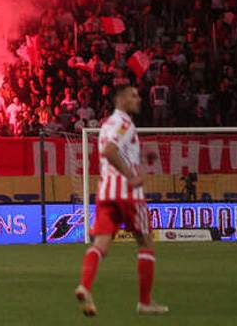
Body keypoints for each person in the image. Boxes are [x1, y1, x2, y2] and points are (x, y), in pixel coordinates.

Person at [74, 85, 168, 316]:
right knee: (146, 242)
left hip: (106, 192)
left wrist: (141, 157)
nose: (139, 99)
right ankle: (145, 303)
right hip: (127, 193)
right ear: (121, 99)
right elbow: (109, 151)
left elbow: (114, 150)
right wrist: (131, 176)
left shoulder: (106, 124)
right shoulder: (125, 123)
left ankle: (85, 286)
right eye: (134, 95)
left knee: (100, 245)